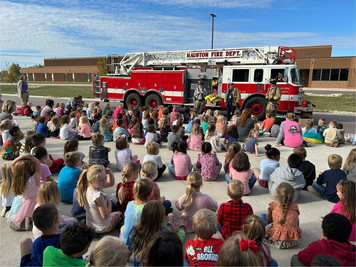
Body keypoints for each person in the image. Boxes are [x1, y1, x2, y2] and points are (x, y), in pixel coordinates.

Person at [290, 213, 355, 266]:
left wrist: (321, 242)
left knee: (295, 259)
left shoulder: (319, 246)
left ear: (323, 232)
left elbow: (302, 256)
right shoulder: (352, 249)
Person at [75, 165, 121, 233]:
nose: (105, 182)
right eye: (101, 180)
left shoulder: (89, 186)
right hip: (102, 228)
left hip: (91, 225)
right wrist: (109, 202)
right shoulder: (98, 196)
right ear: (90, 181)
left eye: (106, 178)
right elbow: (105, 216)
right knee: (119, 213)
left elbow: (111, 183)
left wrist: (110, 175)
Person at [260, 183, 302, 249]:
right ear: (293, 196)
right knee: (296, 218)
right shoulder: (295, 205)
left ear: (276, 195)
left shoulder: (273, 205)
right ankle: (291, 231)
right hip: (291, 241)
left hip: (276, 240)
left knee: (262, 216)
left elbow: (268, 220)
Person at [8, 154, 41, 231]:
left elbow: (12, 164)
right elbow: (38, 164)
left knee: (25, 212)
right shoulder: (33, 179)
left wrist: (21, 157)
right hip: (34, 201)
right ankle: (31, 220)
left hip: (22, 201)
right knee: (34, 213)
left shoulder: (17, 179)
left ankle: (27, 220)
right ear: (30, 168)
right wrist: (31, 157)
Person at [127, 201, 166, 266]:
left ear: (143, 216)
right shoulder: (164, 234)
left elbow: (129, 250)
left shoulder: (135, 231)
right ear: (161, 219)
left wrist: (125, 259)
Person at [120, 178, 153, 244]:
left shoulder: (130, 203)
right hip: (134, 242)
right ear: (149, 194)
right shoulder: (147, 208)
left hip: (123, 237)